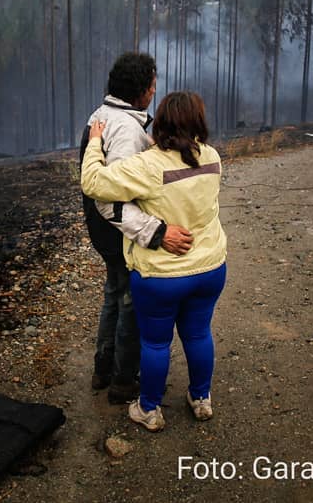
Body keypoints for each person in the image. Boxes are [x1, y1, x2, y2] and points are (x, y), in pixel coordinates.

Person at [82, 91, 227, 432]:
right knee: (197, 334)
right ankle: (201, 398)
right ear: (198, 124)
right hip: (209, 269)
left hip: (162, 275)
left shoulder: (147, 166)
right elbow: (180, 169)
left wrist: (95, 142)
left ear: (160, 122)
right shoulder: (213, 158)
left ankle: (149, 409)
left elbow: (92, 183)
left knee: (156, 343)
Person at [79, 53, 194, 405]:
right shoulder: (126, 130)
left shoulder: (101, 115)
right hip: (120, 234)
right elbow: (109, 199)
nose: (155, 91)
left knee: (114, 296)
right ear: (142, 92)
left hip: (103, 234)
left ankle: (103, 368)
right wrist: (157, 232)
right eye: (153, 86)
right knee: (131, 305)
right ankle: (123, 381)